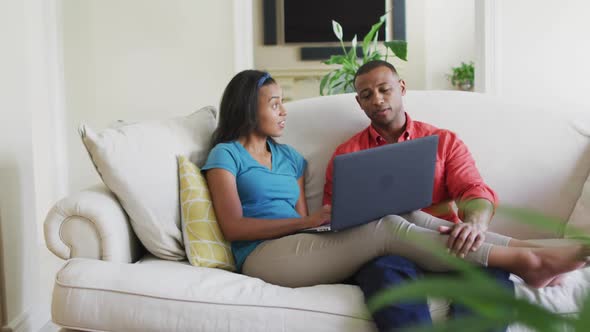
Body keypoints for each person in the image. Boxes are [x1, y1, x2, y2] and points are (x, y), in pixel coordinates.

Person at [202, 69, 588, 307]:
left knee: (405, 212)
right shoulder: (225, 155)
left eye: (283, 102)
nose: (284, 111)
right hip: (263, 256)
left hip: (304, 243)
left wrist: (316, 222)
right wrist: (313, 220)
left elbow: (305, 220)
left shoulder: (291, 159)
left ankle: (531, 249)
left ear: (401, 88)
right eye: (275, 104)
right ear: (249, 108)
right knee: (386, 225)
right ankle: (527, 263)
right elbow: (234, 228)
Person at [321, 60, 513, 331]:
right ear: (359, 102)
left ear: (401, 88)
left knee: (492, 274)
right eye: (367, 95)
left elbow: (474, 190)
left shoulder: (443, 141)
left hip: (445, 243)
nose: (377, 99)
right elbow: (332, 218)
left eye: (384, 89)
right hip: (388, 254)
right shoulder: (346, 154)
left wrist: (475, 224)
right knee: (383, 272)